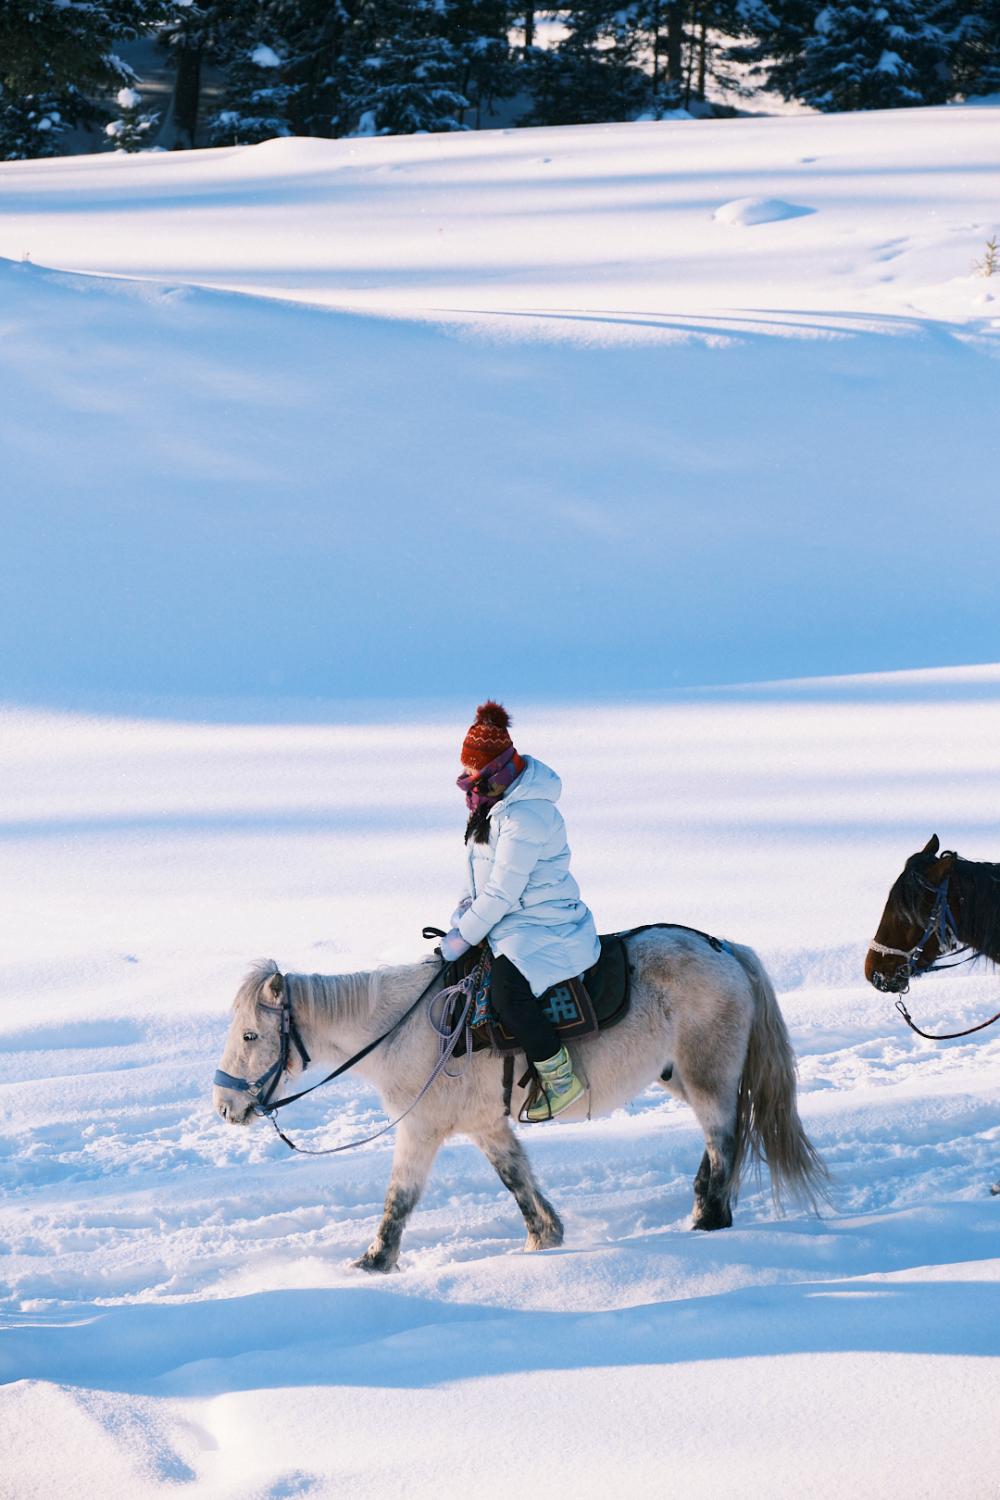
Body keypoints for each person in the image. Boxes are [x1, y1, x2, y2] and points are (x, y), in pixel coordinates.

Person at [439, 701, 600, 1121]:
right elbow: (478, 875)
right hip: (510, 922)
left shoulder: (526, 815)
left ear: (493, 769)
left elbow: (502, 892)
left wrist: (465, 934)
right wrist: (462, 912)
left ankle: (560, 1078)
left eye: (472, 770)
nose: (466, 778)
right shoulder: (494, 805)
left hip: (545, 925)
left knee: (507, 994)